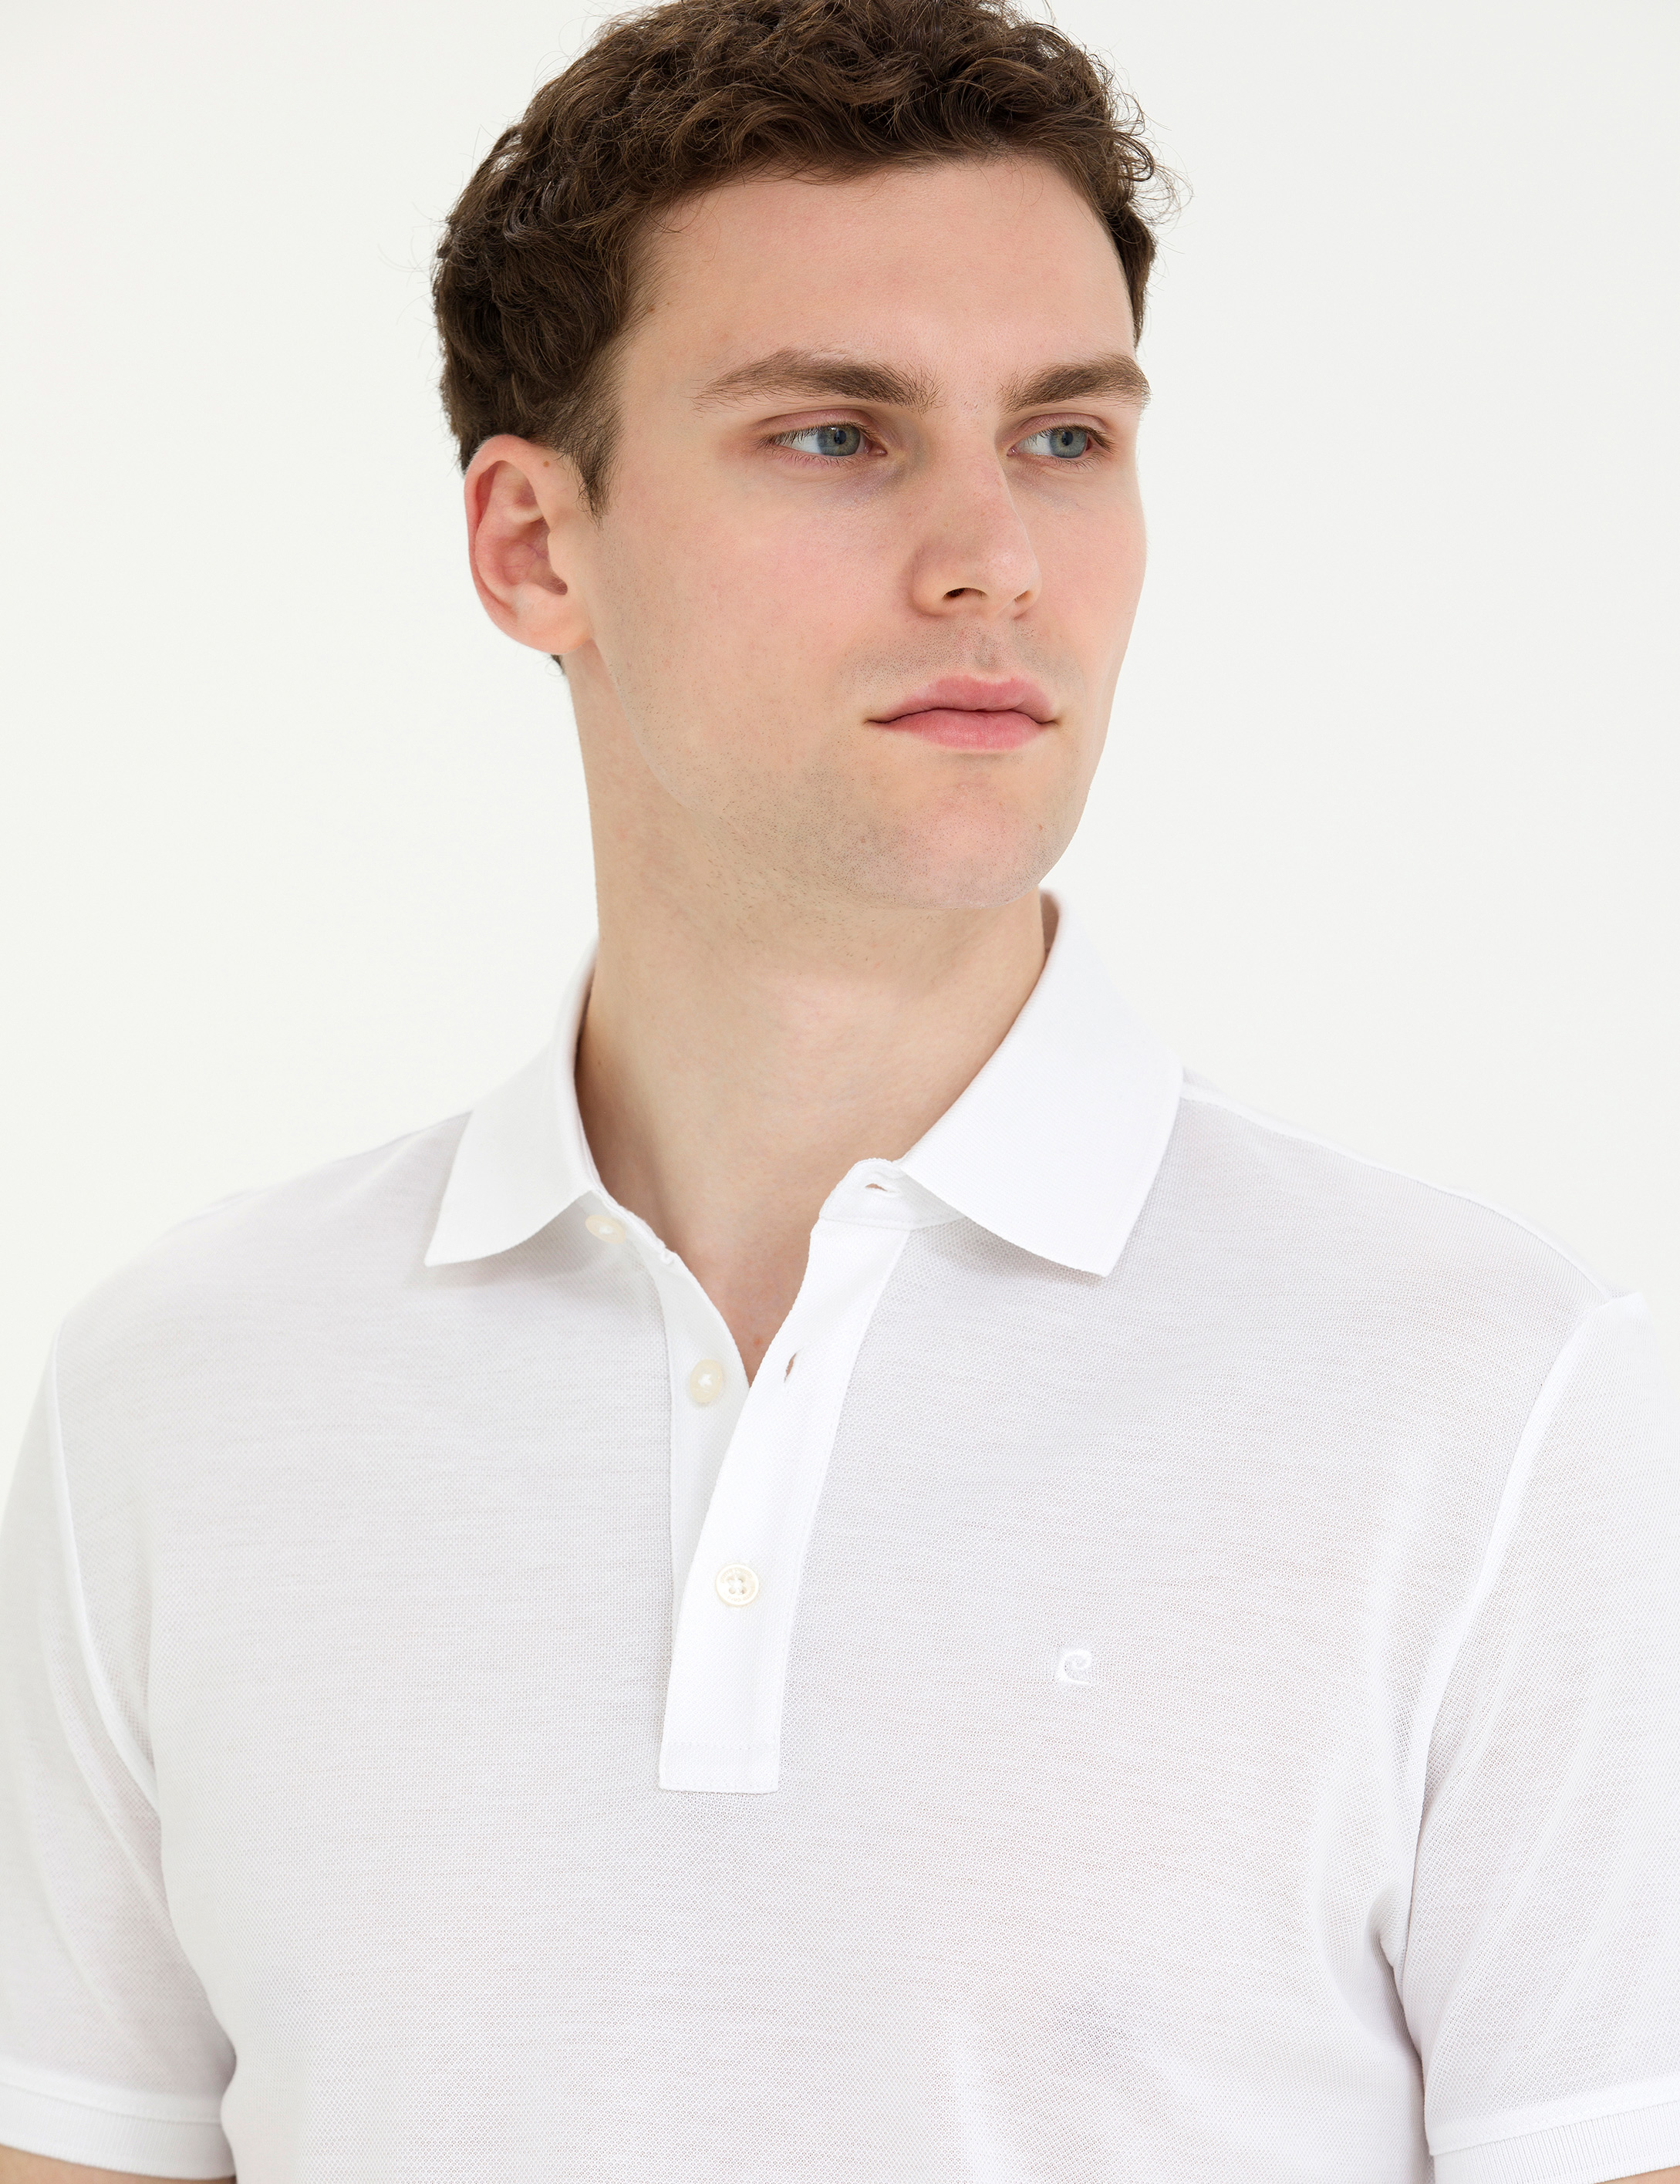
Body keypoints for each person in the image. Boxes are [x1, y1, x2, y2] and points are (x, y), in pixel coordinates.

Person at [2, 0, 1677, 2176]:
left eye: (1063, 436)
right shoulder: (179, 1398)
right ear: (533, 546)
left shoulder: (1494, 1400)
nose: (993, 555)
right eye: (833, 435)